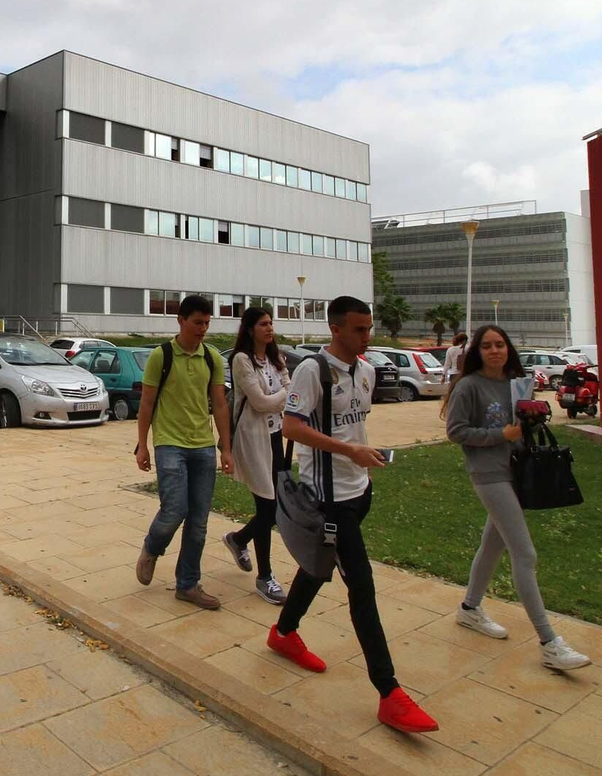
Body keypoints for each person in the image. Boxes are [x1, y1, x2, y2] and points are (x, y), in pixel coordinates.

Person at [267, 295, 440, 734]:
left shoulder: (366, 370)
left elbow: (352, 426)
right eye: (359, 330)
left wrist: (365, 455)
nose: (367, 336)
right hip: (328, 501)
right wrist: (349, 450)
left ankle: (284, 633)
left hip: (359, 493)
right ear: (336, 329)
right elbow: (292, 427)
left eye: (369, 328)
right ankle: (390, 693)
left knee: (318, 567)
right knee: (362, 588)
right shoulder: (312, 370)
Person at [443, 324, 591, 671]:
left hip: (518, 471)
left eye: (500, 345)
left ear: (508, 349)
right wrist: (501, 434)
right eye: (488, 346)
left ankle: (469, 609)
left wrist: (533, 419)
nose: (495, 351)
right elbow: (456, 431)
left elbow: (524, 431)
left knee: (493, 545)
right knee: (524, 553)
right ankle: (549, 643)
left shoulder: (517, 384)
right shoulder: (468, 386)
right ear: (477, 352)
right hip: (489, 474)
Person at [134, 294, 234, 610]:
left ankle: (188, 584)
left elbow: (219, 404)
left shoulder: (212, 358)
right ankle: (152, 547)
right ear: (181, 320)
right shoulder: (161, 356)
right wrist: (142, 445)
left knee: (199, 522)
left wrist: (226, 448)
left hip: (203, 446)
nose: (203, 329)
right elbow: (146, 403)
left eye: (207, 323)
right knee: (174, 510)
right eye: (197, 322)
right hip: (169, 444)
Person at [221, 306, 291, 605]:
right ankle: (265, 577)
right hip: (253, 439)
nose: (269, 328)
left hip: (276, 437)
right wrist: (284, 397)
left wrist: (281, 398)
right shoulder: (241, 360)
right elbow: (261, 403)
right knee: (269, 507)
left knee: (271, 506)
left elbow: (290, 389)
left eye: (271, 323)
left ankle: (238, 540)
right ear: (250, 329)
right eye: (263, 324)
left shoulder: (275, 359)